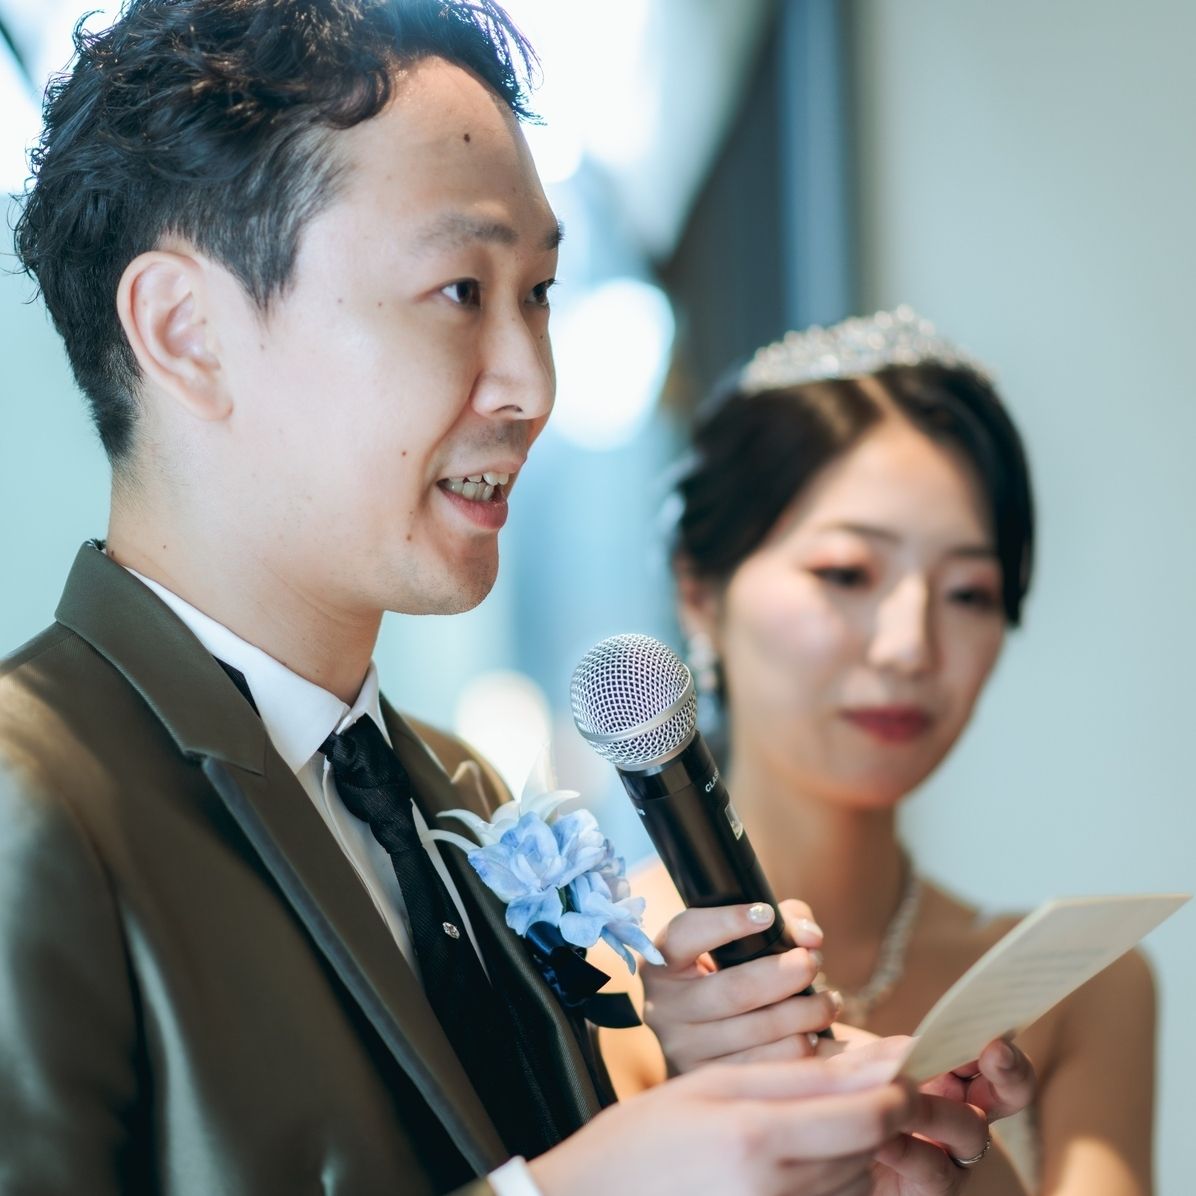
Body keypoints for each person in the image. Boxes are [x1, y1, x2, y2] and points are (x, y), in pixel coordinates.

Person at [1, 3, 1034, 1192]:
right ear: (185, 332)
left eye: (537, 291)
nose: (531, 385)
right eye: (458, 289)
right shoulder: (31, 797)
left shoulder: (465, 794)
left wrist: (732, 1125)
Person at [595, 309, 1155, 1195]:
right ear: (699, 593)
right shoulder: (596, 982)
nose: (909, 647)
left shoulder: (1084, 989)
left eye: (969, 592)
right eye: (847, 574)